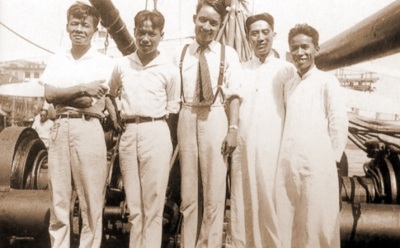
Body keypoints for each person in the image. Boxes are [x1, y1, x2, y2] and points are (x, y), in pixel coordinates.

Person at [41, 2, 115, 247]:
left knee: (91, 201)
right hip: (60, 128)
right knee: (59, 200)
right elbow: (50, 94)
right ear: (67, 27)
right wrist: (83, 86)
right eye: (75, 24)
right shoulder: (56, 59)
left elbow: (87, 102)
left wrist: (66, 93)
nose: (79, 29)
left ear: (95, 30)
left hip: (88, 128)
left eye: (85, 25)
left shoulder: (104, 62)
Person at [108, 9, 180, 248]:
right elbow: (110, 93)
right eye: (141, 32)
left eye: (152, 33)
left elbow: (172, 108)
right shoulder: (122, 65)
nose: (146, 38)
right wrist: (115, 116)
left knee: (154, 205)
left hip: (156, 131)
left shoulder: (169, 69)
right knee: (135, 206)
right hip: (129, 133)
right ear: (135, 32)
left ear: (161, 35)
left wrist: (160, 138)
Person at [174, 0, 242, 247]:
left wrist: (233, 129)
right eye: (203, 20)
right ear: (194, 19)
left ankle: (210, 244)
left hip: (214, 117)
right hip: (187, 115)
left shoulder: (228, 54)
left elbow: (234, 94)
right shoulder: (181, 53)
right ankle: (189, 243)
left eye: (213, 22)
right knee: (189, 192)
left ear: (220, 25)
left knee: (214, 190)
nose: (207, 26)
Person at [275, 24, 348, 248]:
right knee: (292, 220)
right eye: (294, 48)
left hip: (318, 166)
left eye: (305, 47)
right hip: (290, 164)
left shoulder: (327, 82)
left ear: (316, 48)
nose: (299, 53)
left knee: (318, 223)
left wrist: (332, 159)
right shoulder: (289, 85)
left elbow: (338, 123)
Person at [230, 13, 296, 248]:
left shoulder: (286, 70)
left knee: (270, 199)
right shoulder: (241, 69)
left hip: (274, 145)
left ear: (273, 35)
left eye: (265, 32)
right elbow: (233, 100)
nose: (260, 38)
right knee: (243, 197)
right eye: (254, 33)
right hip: (245, 145)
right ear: (248, 38)